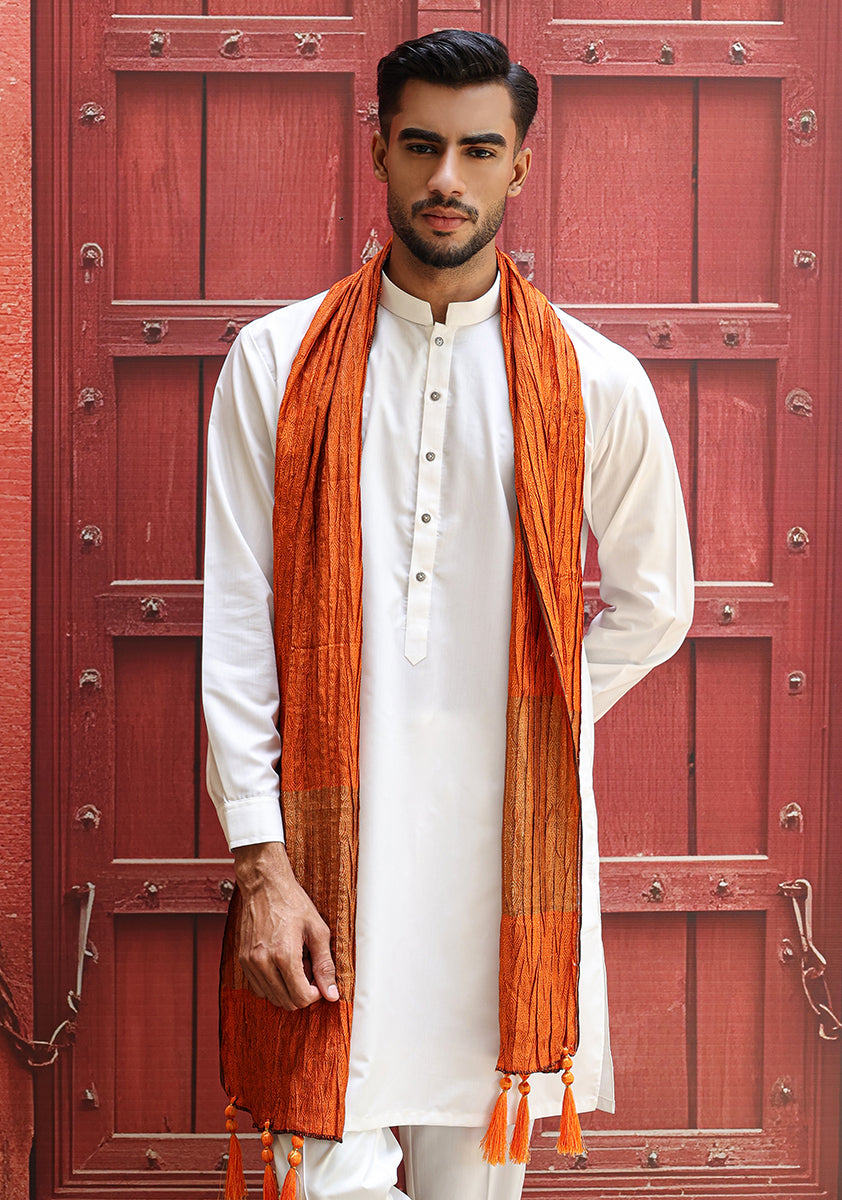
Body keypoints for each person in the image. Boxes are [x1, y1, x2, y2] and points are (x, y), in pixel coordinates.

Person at [202, 28, 694, 1200]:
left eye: (478, 150)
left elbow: (655, 602)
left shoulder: (593, 379)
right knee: (324, 1178)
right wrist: (260, 863)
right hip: (325, 870)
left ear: (518, 164)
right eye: (420, 145)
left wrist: (529, 712)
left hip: (500, 872)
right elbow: (238, 626)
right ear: (377, 149)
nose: (445, 178)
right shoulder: (273, 362)